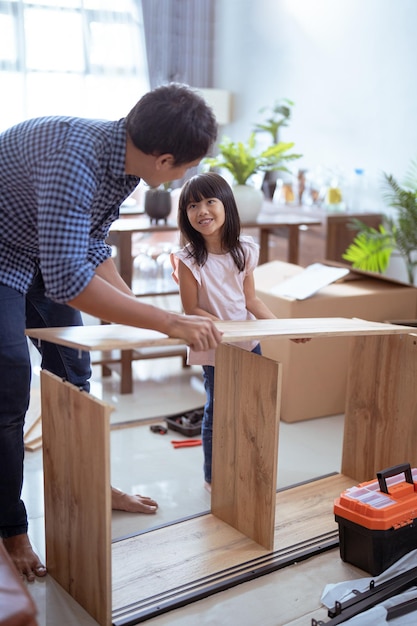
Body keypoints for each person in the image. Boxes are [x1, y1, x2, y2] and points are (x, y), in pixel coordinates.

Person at [0, 83, 223, 581]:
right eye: (187, 166)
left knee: (74, 369)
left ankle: (91, 483)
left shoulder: (124, 162)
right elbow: (68, 280)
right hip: (2, 251)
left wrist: (139, 311)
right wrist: (166, 320)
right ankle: (11, 528)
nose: (188, 176)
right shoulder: (73, 161)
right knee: (10, 384)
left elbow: (92, 248)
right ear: (163, 159)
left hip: (38, 250)